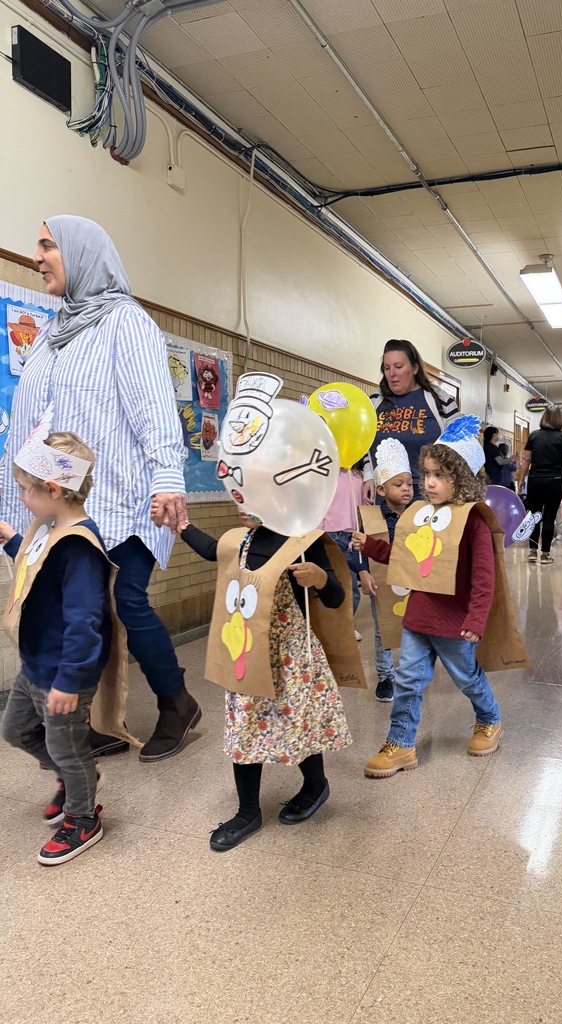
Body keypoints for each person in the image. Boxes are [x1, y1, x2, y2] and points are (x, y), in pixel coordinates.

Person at [0, 216, 200, 763]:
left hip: (124, 498)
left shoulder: (125, 322)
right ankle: (94, 724)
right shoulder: (50, 336)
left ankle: (176, 703)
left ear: (82, 253)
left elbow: (155, 409)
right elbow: (29, 426)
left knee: (127, 601)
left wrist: (166, 479)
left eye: (48, 246)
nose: (37, 256)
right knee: (75, 612)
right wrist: (10, 502)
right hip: (66, 505)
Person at [179, 508, 353, 851]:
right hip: (247, 650)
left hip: (290, 656)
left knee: (296, 724)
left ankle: (316, 785)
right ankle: (247, 811)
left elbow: (335, 596)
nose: (243, 506)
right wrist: (181, 525)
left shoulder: (304, 541)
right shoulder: (243, 538)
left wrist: (318, 576)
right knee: (245, 724)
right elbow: (213, 549)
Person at [353, 416, 502, 778]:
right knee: (408, 681)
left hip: (454, 623)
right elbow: (407, 554)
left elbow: (485, 577)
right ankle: (401, 743)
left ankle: (489, 718)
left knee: (467, 677)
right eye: (428, 474)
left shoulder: (474, 521)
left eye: (439, 475)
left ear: (462, 477)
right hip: (419, 618)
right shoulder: (422, 515)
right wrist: (372, 546)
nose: (429, 483)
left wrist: (476, 619)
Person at [0, 429, 123, 865]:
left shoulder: (79, 546)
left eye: (23, 490)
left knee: (67, 748)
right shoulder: (51, 528)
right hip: (36, 665)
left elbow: (86, 620)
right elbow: (39, 568)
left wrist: (70, 681)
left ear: (53, 489)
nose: (21, 498)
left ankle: (83, 817)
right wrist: (13, 538)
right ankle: (74, 779)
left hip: (63, 674)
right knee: (15, 731)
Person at [362, 339, 459, 502]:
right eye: (387, 368)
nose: (392, 374)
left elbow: (461, 443)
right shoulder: (374, 400)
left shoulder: (439, 399)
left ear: (414, 368)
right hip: (386, 494)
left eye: (399, 367)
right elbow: (363, 441)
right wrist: (368, 476)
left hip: (428, 492)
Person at [357, 438, 414, 703]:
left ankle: (411, 671)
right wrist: (363, 572)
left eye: (409, 484)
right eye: (398, 484)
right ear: (381, 489)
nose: (406, 489)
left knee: (413, 626)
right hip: (383, 582)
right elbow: (360, 548)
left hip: (413, 582)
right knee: (383, 629)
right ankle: (385, 676)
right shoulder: (372, 517)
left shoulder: (418, 515)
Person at [518, 404, 562, 565]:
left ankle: (532, 551)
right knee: (549, 516)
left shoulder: (534, 436)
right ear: (559, 420)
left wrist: (522, 478)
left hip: (536, 479)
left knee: (534, 515)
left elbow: (527, 460)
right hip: (556, 481)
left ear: (544, 418)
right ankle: (545, 554)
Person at [320, 459, 367, 641]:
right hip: (329, 534)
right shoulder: (326, 474)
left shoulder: (359, 475)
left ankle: (347, 623)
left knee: (352, 587)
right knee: (331, 583)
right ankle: (331, 625)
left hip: (352, 537)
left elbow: (365, 505)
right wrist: (319, 533)